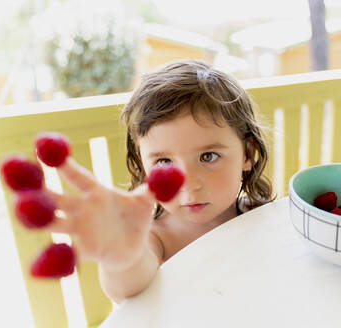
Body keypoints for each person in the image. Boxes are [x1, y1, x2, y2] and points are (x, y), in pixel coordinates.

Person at [45, 60, 275, 303]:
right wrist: (122, 259)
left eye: (208, 156)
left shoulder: (260, 215)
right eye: (164, 162)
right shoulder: (154, 238)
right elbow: (126, 290)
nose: (188, 184)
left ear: (248, 154)